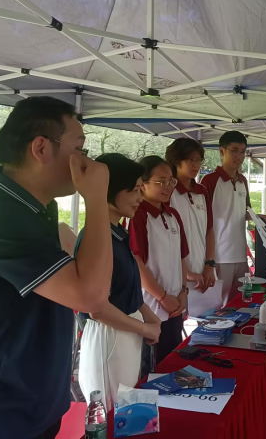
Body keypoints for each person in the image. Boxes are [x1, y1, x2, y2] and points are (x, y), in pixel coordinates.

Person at [0, 97, 113, 439]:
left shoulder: (32, 209)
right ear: (41, 148)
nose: (87, 161)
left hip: (29, 410)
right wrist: (96, 199)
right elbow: (90, 296)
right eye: (79, 148)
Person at [77, 153, 162, 411]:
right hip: (109, 335)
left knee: (127, 407)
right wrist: (144, 328)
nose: (140, 197)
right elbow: (97, 309)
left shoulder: (116, 233)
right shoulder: (96, 239)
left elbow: (125, 286)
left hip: (126, 329)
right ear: (109, 190)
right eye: (134, 190)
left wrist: (146, 313)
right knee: (113, 412)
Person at [129, 156, 189, 366]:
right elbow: (137, 263)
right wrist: (162, 297)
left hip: (176, 304)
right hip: (152, 307)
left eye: (171, 180)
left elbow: (181, 257)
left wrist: (183, 292)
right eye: (161, 182)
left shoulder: (173, 215)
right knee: (152, 367)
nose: (168, 186)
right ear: (142, 184)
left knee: (172, 362)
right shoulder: (138, 215)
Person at [201, 131, 266, 306]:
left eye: (243, 152)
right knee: (218, 307)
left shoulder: (242, 181)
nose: (239, 156)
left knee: (239, 303)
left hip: (240, 254)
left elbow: (245, 211)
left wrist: (256, 217)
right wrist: (208, 259)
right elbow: (202, 218)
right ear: (222, 151)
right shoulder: (209, 181)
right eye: (234, 150)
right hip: (219, 256)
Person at [165, 138, 219, 317]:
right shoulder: (168, 193)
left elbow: (209, 230)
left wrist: (210, 264)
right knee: (178, 320)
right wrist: (186, 272)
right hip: (176, 274)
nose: (196, 165)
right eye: (190, 159)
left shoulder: (202, 191)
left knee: (207, 320)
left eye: (199, 160)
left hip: (203, 271)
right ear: (176, 161)